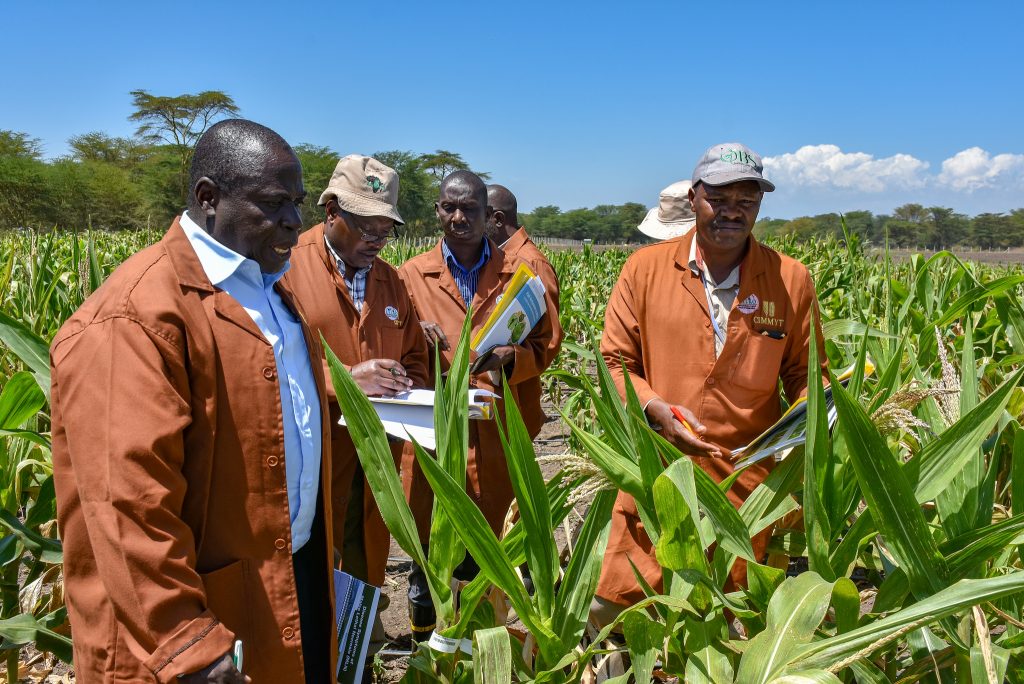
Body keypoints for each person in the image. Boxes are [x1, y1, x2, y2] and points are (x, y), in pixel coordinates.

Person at [51, 119, 339, 683]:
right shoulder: (133, 318)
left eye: (299, 203)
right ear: (208, 198)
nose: (296, 222)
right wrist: (188, 646)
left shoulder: (267, 289)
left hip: (279, 586)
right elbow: (127, 503)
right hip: (188, 630)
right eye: (275, 204)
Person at [591, 142, 827, 626]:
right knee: (618, 612)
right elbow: (614, 361)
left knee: (725, 622)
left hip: (746, 488)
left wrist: (803, 423)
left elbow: (807, 375)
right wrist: (655, 408)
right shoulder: (645, 269)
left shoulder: (791, 280)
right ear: (695, 196)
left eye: (747, 202)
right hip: (658, 474)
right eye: (719, 199)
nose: (732, 213)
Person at [399, 170, 561, 640]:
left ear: (488, 215)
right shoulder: (410, 275)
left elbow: (548, 342)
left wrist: (515, 358)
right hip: (436, 441)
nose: (458, 217)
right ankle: (426, 653)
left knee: (494, 549)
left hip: (499, 437)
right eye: (449, 207)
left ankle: (483, 648)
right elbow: (394, 347)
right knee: (430, 555)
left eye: (469, 209)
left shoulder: (522, 273)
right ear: (436, 211)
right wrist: (416, 342)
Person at [282, 154, 429, 629]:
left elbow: (414, 359)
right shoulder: (285, 268)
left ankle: (358, 659)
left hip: (373, 465)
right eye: (367, 227)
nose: (377, 240)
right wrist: (344, 378)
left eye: (386, 229)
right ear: (331, 213)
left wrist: (403, 381)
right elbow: (264, 363)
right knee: (305, 583)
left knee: (363, 573)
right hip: (310, 463)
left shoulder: (393, 281)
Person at [485, 183, 562, 411]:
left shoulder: (531, 262)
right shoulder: (498, 256)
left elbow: (550, 339)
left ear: (497, 219)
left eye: (480, 215)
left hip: (515, 396)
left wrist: (512, 357)